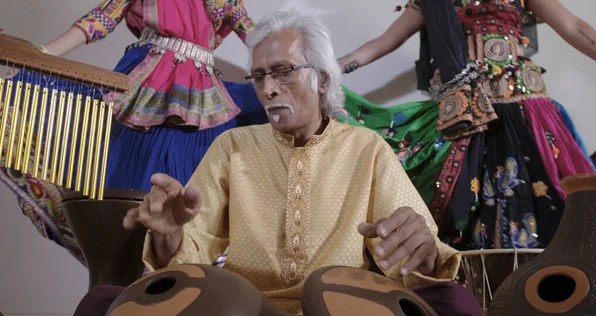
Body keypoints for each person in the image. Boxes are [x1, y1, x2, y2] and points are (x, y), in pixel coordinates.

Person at [74, 9, 480, 316]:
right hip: (245, 308)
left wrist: (421, 249)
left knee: (455, 301)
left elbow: (417, 255)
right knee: (102, 302)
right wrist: (168, 236)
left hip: (335, 306)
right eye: (259, 76)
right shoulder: (232, 145)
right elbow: (188, 257)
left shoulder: (366, 148)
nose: (268, 89)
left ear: (321, 79)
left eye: (284, 72)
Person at [0, 0, 267, 264]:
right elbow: (100, 19)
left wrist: (294, 71)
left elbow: (260, 42)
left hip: (202, 103)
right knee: (127, 207)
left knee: (188, 206)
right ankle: (121, 281)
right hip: (145, 88)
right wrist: (39, 56)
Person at [337, 0, 596, 250]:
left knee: (558, 207)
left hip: (526, 111)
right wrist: (327, 68)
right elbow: (384, 43)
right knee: (456, 208)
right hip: (464, 119)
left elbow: (572, 26)